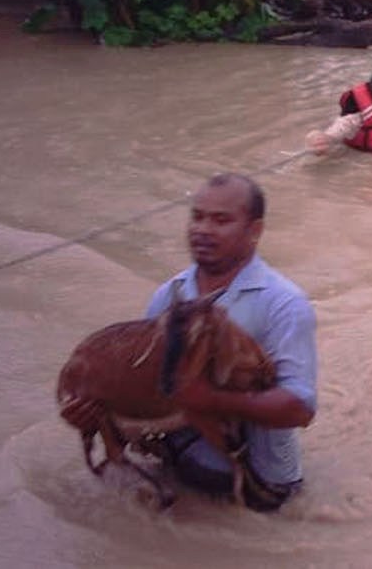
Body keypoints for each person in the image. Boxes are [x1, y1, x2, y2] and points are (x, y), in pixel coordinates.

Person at [60, 174, 315, 512]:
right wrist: (92, 417)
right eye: (197, 217)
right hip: (175, 471)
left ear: (254, 230)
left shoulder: (284, 303)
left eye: (221, 220)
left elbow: (299, 409)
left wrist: (208, 399)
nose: (203, 229)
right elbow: (148, 387)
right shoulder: (170, 295)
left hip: (256, 489)